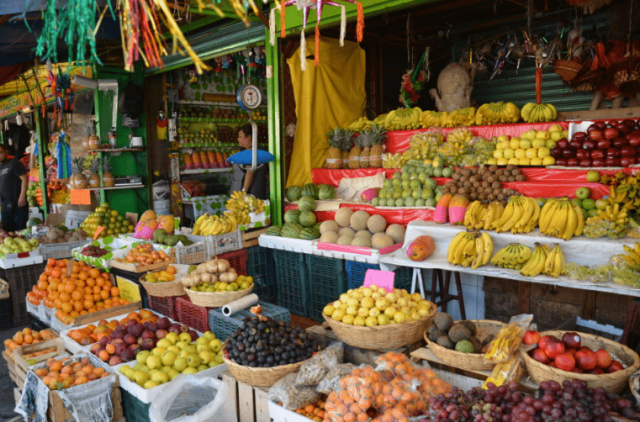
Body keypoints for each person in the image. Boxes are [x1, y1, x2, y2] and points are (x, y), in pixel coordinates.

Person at [231, 124, 268, 200]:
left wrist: (243, 191)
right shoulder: (259, 149)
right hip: (258, 190)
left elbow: (250, 172)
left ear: (249, 137)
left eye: (240, 136)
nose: (238, 139)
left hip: (253, 193)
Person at [0, 144, 28, 231]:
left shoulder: (15, 164)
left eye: (0, 152)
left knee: (20, 231)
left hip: (18, 204)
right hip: (5, 206)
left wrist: (22, 196)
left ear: (6, 152)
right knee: (8, 233)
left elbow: (24, 179)